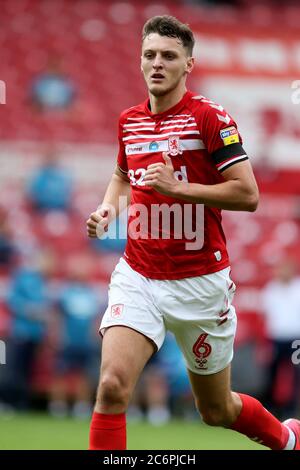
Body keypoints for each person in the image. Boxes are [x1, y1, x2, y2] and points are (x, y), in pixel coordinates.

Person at [86, 15, 299, 450]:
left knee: (216, 411)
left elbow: (248, 194)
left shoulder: (210, 118)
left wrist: (179, 188)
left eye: (169, 56)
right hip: (139, 275)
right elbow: (122, 174)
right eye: (149, 55)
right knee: (111, 386)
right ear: (140, 61)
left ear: (189, 65)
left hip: (200, 284)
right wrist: (109, 209)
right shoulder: (129, 120)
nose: (157, 63)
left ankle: (287, 438)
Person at [261, 258, 300, 420]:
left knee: (296, 373)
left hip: (295, 339)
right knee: (272, 373)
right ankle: (272, 408)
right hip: (276, 338)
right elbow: (266, 315)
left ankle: (292, 408)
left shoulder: (298, 288)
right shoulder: (271, 289)